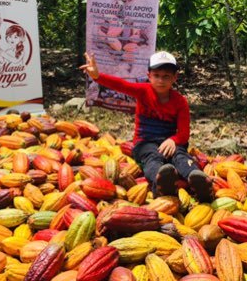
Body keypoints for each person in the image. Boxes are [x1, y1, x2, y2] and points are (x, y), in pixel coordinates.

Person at [80, 50, 214, 202]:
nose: (160, 80)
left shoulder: (180, 101)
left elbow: (184, 133)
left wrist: (174, 141)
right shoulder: (143, 91)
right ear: (149, 75)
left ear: (175, 78)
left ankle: (197, 179)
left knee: (180, 156)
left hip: (169, 143)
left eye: (166, 76)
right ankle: (161, 183)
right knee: (152, 157)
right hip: (145, 142)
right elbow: (121, 85)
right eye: (156, 75)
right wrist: (97, 76)